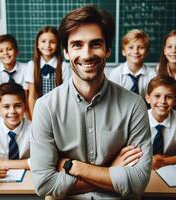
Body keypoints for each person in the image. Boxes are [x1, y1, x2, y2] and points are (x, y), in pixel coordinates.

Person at [31, 5, 152, 199]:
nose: (86, 54)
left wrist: (73, 166)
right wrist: (110, 170)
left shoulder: (134, 105)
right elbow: (44, 184)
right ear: (66, 52)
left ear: (108, 50)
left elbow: (138, 182)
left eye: (95, 44)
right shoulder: (45, 107)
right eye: (77, 45)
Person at [0, 82, 31, 179]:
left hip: (28, 176)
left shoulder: (34, 128)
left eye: (17, 106)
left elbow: (39, 162)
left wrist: (3, 162)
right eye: (6, 106)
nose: (12, 111)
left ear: (24, 107)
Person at [25, 26, 71, 118]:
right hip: (38, 111)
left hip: (58, 111)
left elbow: (66, 96)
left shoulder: (64, 66)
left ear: (58, 45)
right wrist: (34, 118)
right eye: (43, 41)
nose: (47, 45)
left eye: (52, 42)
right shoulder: (32, 65)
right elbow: (32, 96)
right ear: (37, 44)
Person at [0, 34, 28, 121]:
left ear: (17, 52)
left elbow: (27, 97)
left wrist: (31, 121)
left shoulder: (26, 68)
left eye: (9, 49)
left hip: (21, 116)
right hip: (1, 117)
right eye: (1, 51)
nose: (5, 53)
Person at [145, 75, 176, 170]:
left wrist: (165, 161)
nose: (162, 101)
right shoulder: (138, 119)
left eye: (169, 97)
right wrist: (149, 161)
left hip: (171, 168)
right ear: (148, 98)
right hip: (143, 167)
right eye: (157, 96)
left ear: (175, 101)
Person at [109, 29, 156, 98]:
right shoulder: (116, 74)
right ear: (123, 51)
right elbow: (112, 99)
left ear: (147, 52)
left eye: (141, 47)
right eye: (131, 47)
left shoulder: (153, 75)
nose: (135, 51)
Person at [157, 30, 176, 112]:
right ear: (164, 50)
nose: (174, 51)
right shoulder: (157, 71)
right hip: (163, 113)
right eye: (169, 47)